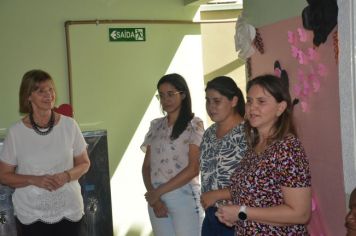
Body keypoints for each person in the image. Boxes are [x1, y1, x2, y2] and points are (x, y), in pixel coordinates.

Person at [216, 74, 312, 235]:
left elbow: (300, 213)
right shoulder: (255, 147)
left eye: (261, 101)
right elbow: (256, 201)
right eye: (249, 101)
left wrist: (241, 212)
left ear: (280, 108)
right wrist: (233, 214)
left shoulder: (287, 148)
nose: (252, 108)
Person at [0, 69, 90, 236]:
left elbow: (85, 163)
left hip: (69, 211)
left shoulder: (70, 125)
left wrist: (66, 176)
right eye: (41, 91)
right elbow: (4, 175)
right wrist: (34, 180)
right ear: (28, 96)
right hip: (32, 216)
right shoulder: (16, 132)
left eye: (51, 89)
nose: (49, 95)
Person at [141, 73, 204, 236]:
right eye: (161, 95)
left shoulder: (194, 124)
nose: (165, 100)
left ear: (183, 95)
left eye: (170, 94)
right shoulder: (156, 125)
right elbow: (146, 166)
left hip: (183, 196)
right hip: (156, 198)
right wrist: (154, 197)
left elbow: (193, 169)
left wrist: (158, 192)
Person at [200, 76, 247, 236]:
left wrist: (218, 194)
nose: (211, 107)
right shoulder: (209, 133)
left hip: (237, 217)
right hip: (211, 215)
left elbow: (256, 183)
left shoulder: (248, 133)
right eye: (208, 101)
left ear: (233, 101)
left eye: (217, 101)